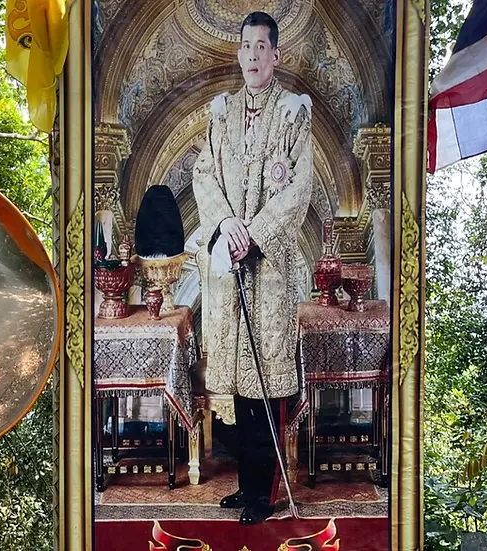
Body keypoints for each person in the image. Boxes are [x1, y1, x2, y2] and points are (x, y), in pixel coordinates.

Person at [192, 11, 313, 525]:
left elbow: (298, 189)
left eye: (262, 47)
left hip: (269, 271)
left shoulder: (293, 113)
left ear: (276, 55)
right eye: (246, 47)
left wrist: (255, 233)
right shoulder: (219, 113)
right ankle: (247, 488)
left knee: (265, 383)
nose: (253, 55)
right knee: (240, 385)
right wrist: (227, 227)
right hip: (232, 259)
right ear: (239, 53)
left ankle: (263, 495)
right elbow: (204, 173)